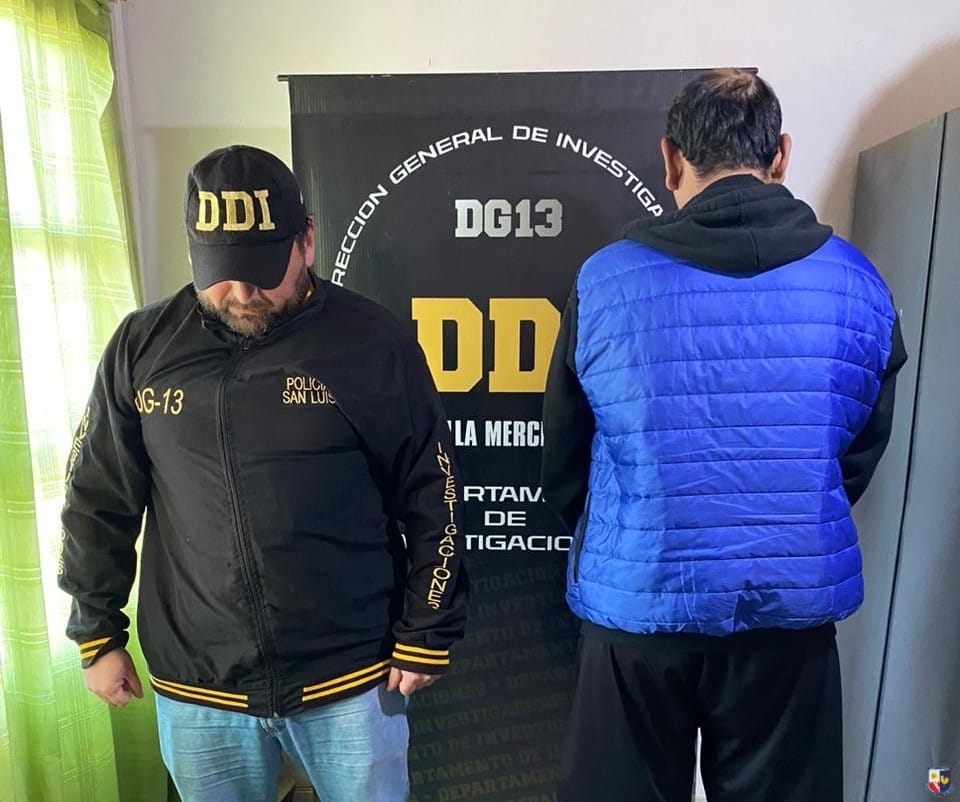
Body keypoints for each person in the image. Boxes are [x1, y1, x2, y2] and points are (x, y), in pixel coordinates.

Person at [58, 144, 468, 802]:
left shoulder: (373, 341)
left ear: (307, 240)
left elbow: (432, 490)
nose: (243, 293)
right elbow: (96, 497)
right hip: (199, 684)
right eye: (222, 273)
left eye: (262, 270)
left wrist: (427, 629)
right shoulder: (141, 345)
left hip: (349, 675)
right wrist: (96, 631)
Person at [541, 69, 906, 802]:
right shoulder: (857, 283)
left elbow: (565, 459)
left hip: (640, 606)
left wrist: (629, 533)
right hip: (787, 618)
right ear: (781, 155)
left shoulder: (605, 281)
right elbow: (858, 451)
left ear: (670, 159)